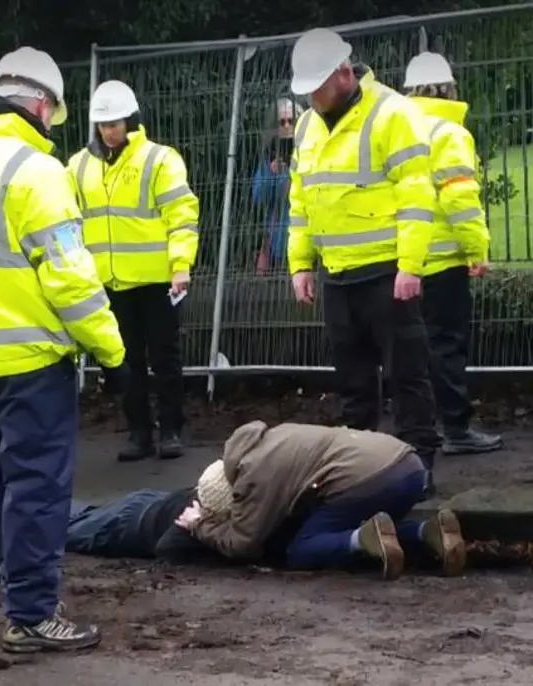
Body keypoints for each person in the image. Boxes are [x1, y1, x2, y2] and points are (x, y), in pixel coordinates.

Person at [0, 46, 129, 654]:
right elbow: (71, 280)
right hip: (34, 357)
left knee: (10, 484)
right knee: (39, 486)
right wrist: (112, 353)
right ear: (40, 104)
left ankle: (23, 594)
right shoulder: (37, 172)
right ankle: (33, 614)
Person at [287, 28, 440, 485]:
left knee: (406, 373)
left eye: (317, 87)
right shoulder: (306, 125)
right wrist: (299, 264)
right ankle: (358, 468)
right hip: (336, 273)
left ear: (344, 73)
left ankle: (420, 465)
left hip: (386, 271)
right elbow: (301, 199)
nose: (312, 97)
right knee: (353, 380)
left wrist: (410, 265)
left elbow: (416, 192)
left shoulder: (393, 113)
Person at [68, 80, 200, 462]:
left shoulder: (160, 160)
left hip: (157, 279)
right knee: (125, 362)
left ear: (131, 120)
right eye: (103, 124)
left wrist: (180, 266)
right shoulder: (77, 167)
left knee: (164, 357)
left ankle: (171, 429)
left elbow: (182, 216)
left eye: (116, 123)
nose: (109, 131)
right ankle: (139, 433)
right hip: (108, 282)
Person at [175, 421, 467, 580]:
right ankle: (425, 533)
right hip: (410, 466)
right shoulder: (278, 435)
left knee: (300, 550)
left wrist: (200, 524)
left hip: (368, 481)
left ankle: (359, 540)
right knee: (378, 529)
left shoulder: (253, 474)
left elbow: (242, 544)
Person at [403, 52, 503, 455]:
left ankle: (420, 431)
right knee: (447, 345)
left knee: (413, 349)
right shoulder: (450, 132)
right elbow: (459, 198)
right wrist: (476, 248)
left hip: (404, 262)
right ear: (449, 88)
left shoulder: (398, 128)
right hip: (444, 260)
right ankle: (456, 430)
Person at [252, 98, 303, 274]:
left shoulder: (307, 153)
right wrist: (272, 176)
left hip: (305, 237)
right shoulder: (269, 158)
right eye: (282, 122)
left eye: (291, 121)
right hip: (278, 241)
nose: (287, 126)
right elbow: (258, 197)